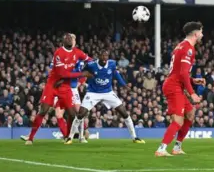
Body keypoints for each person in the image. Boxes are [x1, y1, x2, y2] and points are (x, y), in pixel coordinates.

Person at [21, 33, 93, 144]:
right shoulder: (58, 53)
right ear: (63, 42)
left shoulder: (78, 53)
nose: (69, 39)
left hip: (66, 86)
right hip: (53, 85)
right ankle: (30, 138)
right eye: (66, 37)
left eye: (71, 38)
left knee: (73, 114)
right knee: (43, 110)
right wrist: (82, 74)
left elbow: (90, 60)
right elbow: (63, 74)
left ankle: (68, 137)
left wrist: (96, 68)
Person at [70, 50, 144, 144]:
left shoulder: (112, 63)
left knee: (124, 113)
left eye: (106, 56)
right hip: (93, 92)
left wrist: (124, 85)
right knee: (81, 114)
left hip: (108, 92)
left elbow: (116, 74)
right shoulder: (91, 64)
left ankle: (135, 137)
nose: (105, 58)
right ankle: (70, 138)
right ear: (99, 56)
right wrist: (82, 82)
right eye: (103, 56)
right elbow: (82, 72)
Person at [155, 22, 205, 157]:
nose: (202, 34)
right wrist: (192, 93)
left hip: (176, 84)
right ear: (195, 34)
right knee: (178, 121)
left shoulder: (180, 46)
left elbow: (179, 72)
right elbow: (182, 73)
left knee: (190, 113)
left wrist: (193, 80)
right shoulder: (188, 48)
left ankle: (177, 147)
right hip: (173, 86)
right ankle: (161, 149)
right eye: (201, 32)